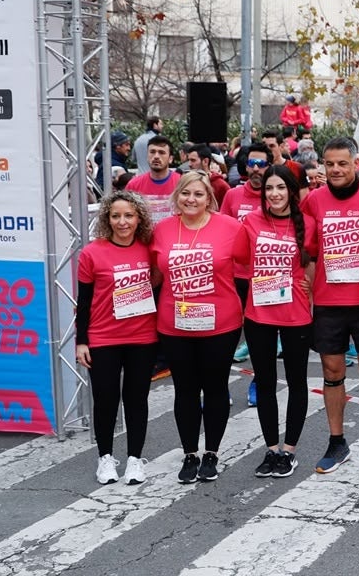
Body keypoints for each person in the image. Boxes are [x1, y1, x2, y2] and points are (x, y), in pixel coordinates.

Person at [301, 138, 359, 475]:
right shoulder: (313, 201)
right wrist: (309, 296)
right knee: (332, 372)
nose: (335, 170)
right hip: (329, 302)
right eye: (330, 164)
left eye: (342, 164)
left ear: (356, 164)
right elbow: (310, 251)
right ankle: (337, 442)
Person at [151, 171, 244, 483]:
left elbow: (248, 265)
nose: (191, 199)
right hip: (174, 324)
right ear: (177, 196)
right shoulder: (162, 230)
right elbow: (153, 275)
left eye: (198, 194)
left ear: (209, 198)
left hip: (221, 323)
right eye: (186, 193)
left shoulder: (231, 227)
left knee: (216, 387)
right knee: (185, 390)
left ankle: (212, 454)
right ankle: (190, 454)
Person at [232, 166, 315, 478]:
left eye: (281, 188)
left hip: (295, 315)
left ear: (291, 191)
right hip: (259, 314)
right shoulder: (251, 221)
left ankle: (289, 450)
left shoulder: (307, 223)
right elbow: (240, 259)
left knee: (296, 382)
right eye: (269, 189)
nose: (275, 194)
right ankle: (271, 449)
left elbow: (316, 260)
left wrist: (310, 285)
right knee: (265, 383)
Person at [76, 190, 158, 486]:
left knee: (136, 399)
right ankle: (105, 459)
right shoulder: (92, 253)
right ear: (106, 219)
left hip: (142, 336)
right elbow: (83, 301)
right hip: (103, 337)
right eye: (116, 216)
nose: (122, 222)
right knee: (106, 400)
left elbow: (159, 288)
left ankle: (135, 459)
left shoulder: (150, 249)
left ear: (139, 218)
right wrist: (81, 341)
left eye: (129, 216)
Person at [224, 144, 268, 370]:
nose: (256, 169)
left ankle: (256, 385)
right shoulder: (233, 195)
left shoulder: (275, 195)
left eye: (261, 164)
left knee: (258, 339)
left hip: (264, 278)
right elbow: (221, 232)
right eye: (252, 164)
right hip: (235, 276)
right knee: (231, 334)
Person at [124, 136, 181, 225]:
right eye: (152, 152)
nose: (156, 156)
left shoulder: (182, 183)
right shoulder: (133, 185)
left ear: (170, 159)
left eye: (161, 152)